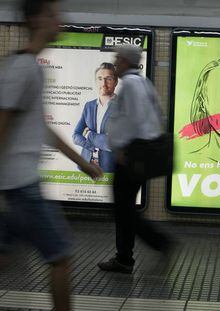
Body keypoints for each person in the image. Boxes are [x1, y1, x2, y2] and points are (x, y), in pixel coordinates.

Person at [0, 1, 103, 310]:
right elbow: (1, 127)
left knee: (3, 257)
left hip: (16, 185)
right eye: (53, 14)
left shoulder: (30, 67)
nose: (61, 20)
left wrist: (82, 162)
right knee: (61, 257)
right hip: (22, 186)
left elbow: (41, 129)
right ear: (35, 19)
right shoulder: (23, 69)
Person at [98, 45, 170, 274]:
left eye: (118, 58)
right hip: (139, 152)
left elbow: (135, 119)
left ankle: (147, 247)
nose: (115, 61)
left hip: (130, 155)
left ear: (127, 61)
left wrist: (122, 149)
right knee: (124, 207)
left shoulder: (130, 84)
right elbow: (158, 115)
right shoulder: (143, 82)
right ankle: (126, 257)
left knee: (123, 209)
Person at [73, 62, 118, 173]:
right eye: (100, 78)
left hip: (109, 168)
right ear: (95, 81)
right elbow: (75, 136)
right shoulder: (89, 106)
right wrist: (91, 147)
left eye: (109, 79)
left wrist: (89, 135)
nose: (103, 83)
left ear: (116, 82)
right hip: (86, 166)